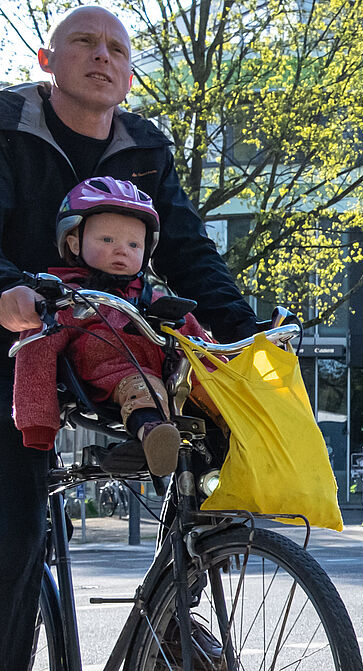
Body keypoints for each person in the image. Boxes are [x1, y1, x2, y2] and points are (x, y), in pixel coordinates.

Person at [0, 7, 259, 664]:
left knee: (217, 424)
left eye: (117, 47)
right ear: (46, 60)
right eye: (82, 41)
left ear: (129, 75)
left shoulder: (146, 149)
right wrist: (7, 288)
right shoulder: (6, 128)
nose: (102, 55)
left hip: (117, 333)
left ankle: (175, 604)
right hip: (22, 335)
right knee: (13, 519)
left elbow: (191, 252)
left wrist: (243, 334)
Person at [13, 177, 213, 477]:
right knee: (142, 386)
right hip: (117, 375)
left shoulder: (153, 299)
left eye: (133, 244)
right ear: (73, 241)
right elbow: (35, 355)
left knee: (218, 390)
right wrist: (38, 422)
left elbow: (197, 339)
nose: (122, 250)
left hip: (175, 374)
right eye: (107, 240)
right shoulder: (69, 303)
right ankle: (153, 434)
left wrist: (223, 366)